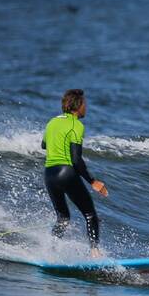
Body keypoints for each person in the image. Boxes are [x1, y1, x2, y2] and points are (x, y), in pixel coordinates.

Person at [41, 89, 108, 256]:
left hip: (49, 174)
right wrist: (93, 182)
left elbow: (44, 145)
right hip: (66, 172)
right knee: (90, 214)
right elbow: (76, 159)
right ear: (78, 106)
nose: (86, 108)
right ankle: (95, 252)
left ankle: (50, 251)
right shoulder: (76, 125)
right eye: (85, 104)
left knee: (63, 218)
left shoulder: (52, 122)